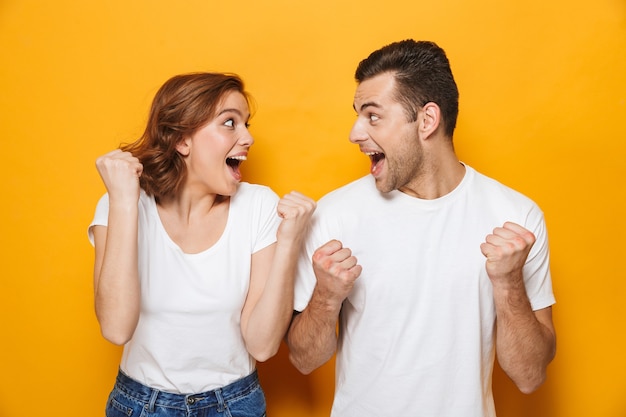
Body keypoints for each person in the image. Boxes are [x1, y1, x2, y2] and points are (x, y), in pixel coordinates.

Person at [286, 40, 556, 416]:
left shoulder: (516, 217)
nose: (354, 133)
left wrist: (509, 284)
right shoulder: (334, 216)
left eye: (373, 116)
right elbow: (303, 360)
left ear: (427, 121)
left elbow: (529, 375)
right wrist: (326, 298)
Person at [88, 72, 315, 417]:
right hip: (141, 405)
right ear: (182, 140)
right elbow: (116, 328)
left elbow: (263, 345)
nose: (248, 137)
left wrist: (289, 243)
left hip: (235, 404)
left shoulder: (258, 206)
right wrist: (123, 202)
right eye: (230, 123)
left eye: (246, 124)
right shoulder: (123, 204)